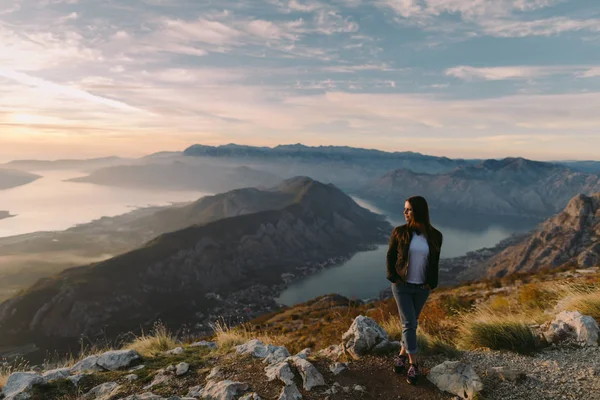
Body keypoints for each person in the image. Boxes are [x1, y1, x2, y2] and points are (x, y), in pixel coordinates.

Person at [386, 195, 443, 385]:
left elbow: (434, 263)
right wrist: (394, 279)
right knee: (409, 323)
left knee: (410, 324)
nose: (404, 212)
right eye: (404, 209)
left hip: (421, 287)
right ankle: (413, 364)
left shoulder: (435, 236)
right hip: (402, 286)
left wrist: (431, 283)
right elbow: (390, 258)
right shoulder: (399, 232)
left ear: (418, 211)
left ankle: (401, 356)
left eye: (408, 209)